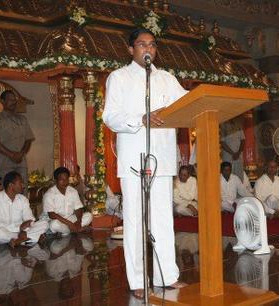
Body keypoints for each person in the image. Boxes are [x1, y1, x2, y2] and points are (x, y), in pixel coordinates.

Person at [102, 28, 187, 298]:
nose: (147, 49)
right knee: (136, 221)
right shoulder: (119, 78)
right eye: (141, 44)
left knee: (163, 219)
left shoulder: (167, 79)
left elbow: (187, 103)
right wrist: (141, 118)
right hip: (134, 160)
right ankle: (138, 280)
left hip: (162, 159)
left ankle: (167, 276)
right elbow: (110, 117)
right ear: (131, 49)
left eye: (152, 44)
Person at [0, 90, 35, 192]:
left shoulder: (22, 119)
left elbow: (28, 139)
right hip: (5, 163)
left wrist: (21, 154)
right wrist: (12, 155)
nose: (13, 102)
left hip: (21, 162)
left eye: (14, 100)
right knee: (6, 192)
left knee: (22, 190)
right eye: (10, 100)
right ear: (3, 101)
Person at [0, 171, 48, 247]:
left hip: (23, 231)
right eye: (20, 183)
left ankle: (19, 240)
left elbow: (29, 218)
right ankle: (26, 239)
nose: (23, 186)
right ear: (11, 185)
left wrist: (29, 224)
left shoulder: (23, 199)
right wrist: (19, 228)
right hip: (6, 231)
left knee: (45, 223)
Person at [42, 167, 93, 235]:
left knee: (89, 216)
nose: (65, 182)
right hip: (57, 220)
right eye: (61, 180)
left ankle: (69, 231)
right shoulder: (49, 194)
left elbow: (78, 208)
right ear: (55, 180)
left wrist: (78, 221)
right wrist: (70, 224)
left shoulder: (73, 191)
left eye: (66, 179)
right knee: (54, 225)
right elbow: (52, 215)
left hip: (70, 218)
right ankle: (75, 230)